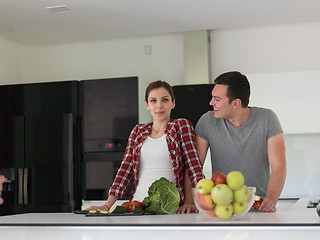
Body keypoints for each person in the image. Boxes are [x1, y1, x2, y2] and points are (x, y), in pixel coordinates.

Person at [85, 80, 205, 213]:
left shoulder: (181, 126)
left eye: (164, 100)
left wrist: (190, 201)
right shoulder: (138, 131)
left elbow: (193, 165)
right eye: (153, 101)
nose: (159, 106)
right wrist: (107, 205)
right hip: (138, 207)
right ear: (147, 105)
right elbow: (125, 170)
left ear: (173, 103)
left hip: (171, 209)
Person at [189, 71, 286, 213]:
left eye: (217, 99)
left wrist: (270, 199)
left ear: (236, 103)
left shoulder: (267, 119)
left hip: (259, 208)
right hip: (222, 207)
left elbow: (279, 165)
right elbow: (194, 167)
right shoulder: (207, 121)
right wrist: (189, 201)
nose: (211, 103)